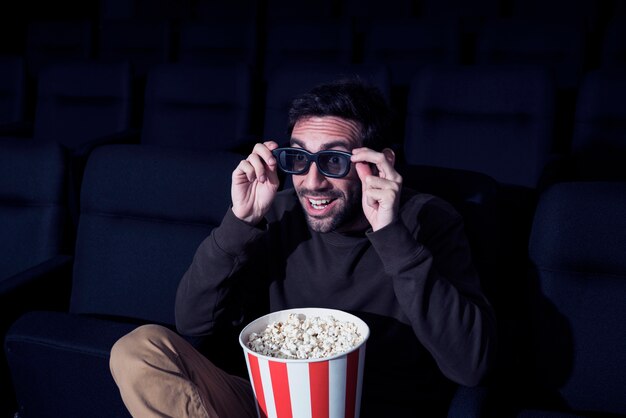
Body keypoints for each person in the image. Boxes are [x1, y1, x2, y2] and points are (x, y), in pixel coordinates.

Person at [110, 78, 497, 417]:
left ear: (380, 163)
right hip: (270, 403)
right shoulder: (278, 214)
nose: (312, 182)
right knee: (138, 351)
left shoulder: (428, 221)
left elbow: (470, 366)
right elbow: (193, 321)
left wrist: (391, 234)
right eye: (299, 158)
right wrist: (240, 222)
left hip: (372, 408)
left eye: (333, 160)